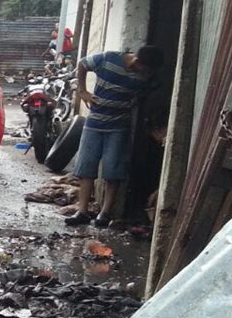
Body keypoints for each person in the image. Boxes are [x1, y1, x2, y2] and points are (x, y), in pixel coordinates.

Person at [64, 46, 164, 228]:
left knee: (113, 170)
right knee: (86, 167)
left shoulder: (145, 78)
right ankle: (82, 211)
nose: (146, 74)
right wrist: (82, 91)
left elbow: (148, 96)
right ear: (138, 62)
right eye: (146, 69)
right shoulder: (108, 59)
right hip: (93, 124)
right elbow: (83, 64)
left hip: (119, 127)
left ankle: (104, 213)